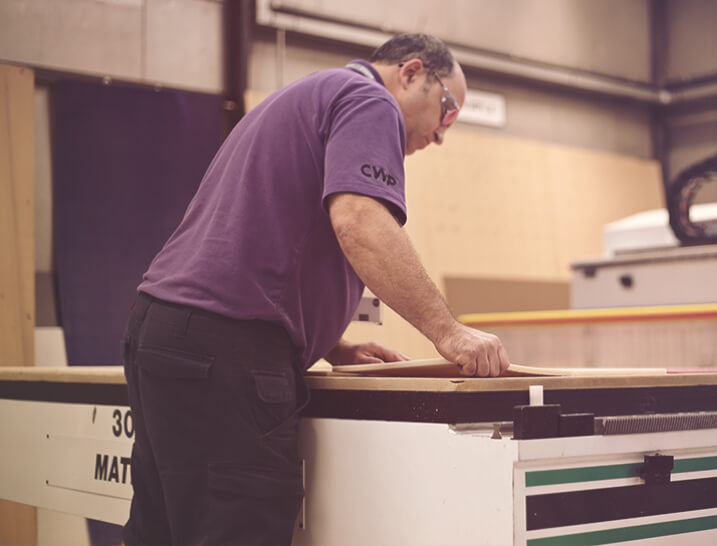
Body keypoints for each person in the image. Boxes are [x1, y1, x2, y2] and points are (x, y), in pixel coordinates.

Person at [121, 33, 510, 545]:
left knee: (164, 532)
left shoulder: (304, 98)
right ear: (412, 73)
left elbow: (257, 238)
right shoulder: (370, 101)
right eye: (447, 109)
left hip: (164, 333)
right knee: (237, 529)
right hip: (225, 354)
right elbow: (359, 220)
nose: (441, 134)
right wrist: (449, 332)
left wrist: (333, 344)